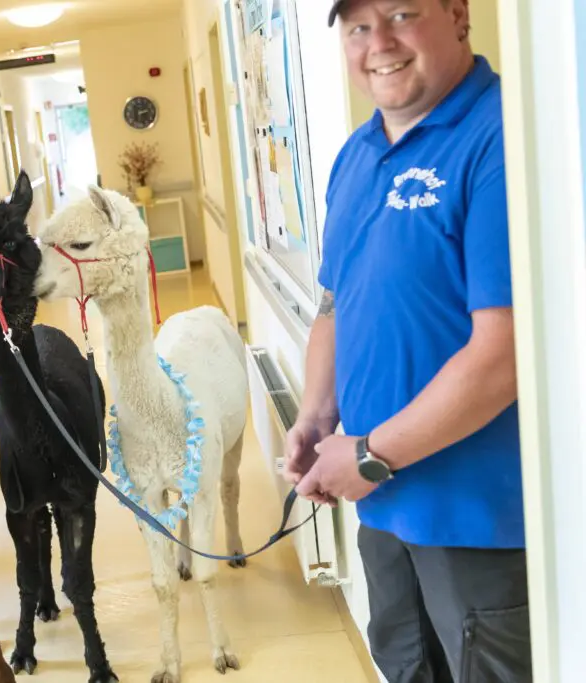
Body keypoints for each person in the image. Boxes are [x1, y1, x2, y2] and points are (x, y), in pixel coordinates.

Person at [283, 1, 531, 681]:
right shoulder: (357, 156)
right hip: (382, 507)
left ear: (457, 15)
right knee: (406, 668)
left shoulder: (503, 137)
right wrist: (313, 411)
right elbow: (336, 304)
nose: (379, 43)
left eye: (401, 14)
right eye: (359, 27)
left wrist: (366, 455)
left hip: (473, 517)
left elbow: (503, 355)